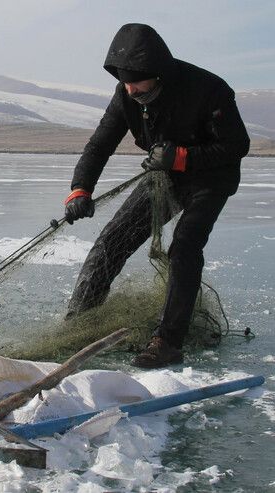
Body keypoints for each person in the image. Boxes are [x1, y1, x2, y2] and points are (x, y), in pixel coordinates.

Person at [63, 23, 250, 368]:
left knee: (184, 246)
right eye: (124, 81)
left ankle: (167, 342)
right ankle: (77, 324)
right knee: (111, 241)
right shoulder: (126, 95)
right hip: (165, 177)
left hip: (211, 178)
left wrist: (183, 157)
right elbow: (100, 143)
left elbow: (238, 146)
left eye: (137, 81)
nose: (131, 88)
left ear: (159, 73)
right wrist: (80, 188)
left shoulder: (209, 89)